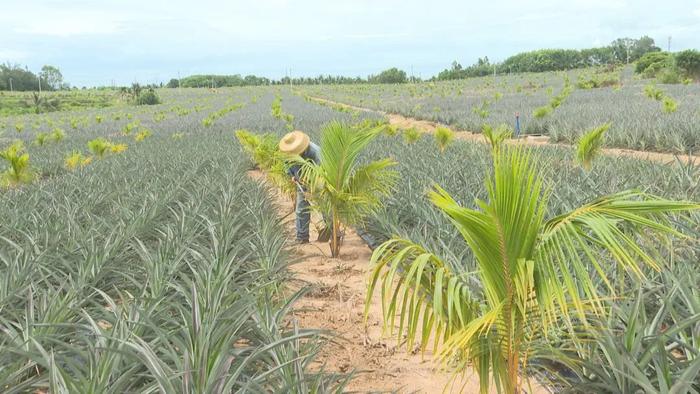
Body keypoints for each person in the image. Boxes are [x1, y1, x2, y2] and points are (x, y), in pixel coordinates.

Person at [279, 130, 331, 244]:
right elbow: (287, 165)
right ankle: (302, 237)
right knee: (301, 209)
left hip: (317, 182)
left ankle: (329, 231)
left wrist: (313, 187)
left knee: (321, 206)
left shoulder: (315, 152)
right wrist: (292, 175)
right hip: (301, 181)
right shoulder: (289, 152)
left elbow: (323, 171)